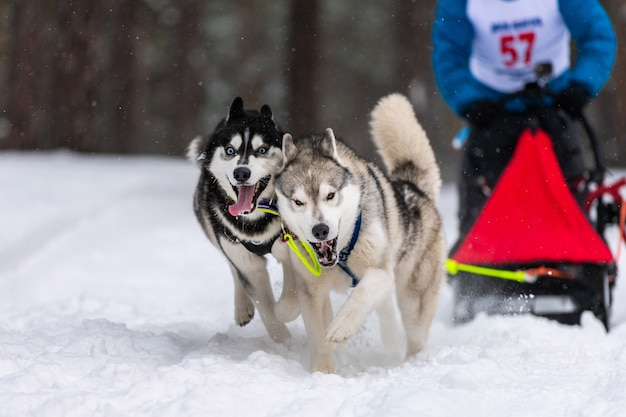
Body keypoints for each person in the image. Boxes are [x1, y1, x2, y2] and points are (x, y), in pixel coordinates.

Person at [432, 0, 617, 243]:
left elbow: (598, 36)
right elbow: (449, 55)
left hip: (553, 110)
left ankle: (575, 256)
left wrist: (582, 84)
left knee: (570, 195)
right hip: (492, 115)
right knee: (481, 206)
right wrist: (469, 101)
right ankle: (475, 262)